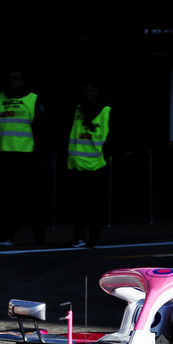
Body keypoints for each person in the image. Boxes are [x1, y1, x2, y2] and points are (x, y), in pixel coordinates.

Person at [0, 67, 48, 246]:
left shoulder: (32, 100)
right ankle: (5, 233)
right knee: (4, 198)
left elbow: (42, 131)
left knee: (27, 197)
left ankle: (38, 230)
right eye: (9, 78)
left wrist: (42, 155)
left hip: (25, 158)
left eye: (15, 78)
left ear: (23, 81)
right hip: (1, 156)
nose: (11, 82)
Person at [65, 80, 112, 247]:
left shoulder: (106, 111)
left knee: (95, 205)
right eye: (85, 91)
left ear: (97, 92)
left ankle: (94, 236)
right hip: (76, 164)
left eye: (90, 90)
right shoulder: (76, 109)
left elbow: (113, 137)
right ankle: (79, 236)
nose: (87, 94)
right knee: (77, 205)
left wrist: (107, 156)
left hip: (97, 164)